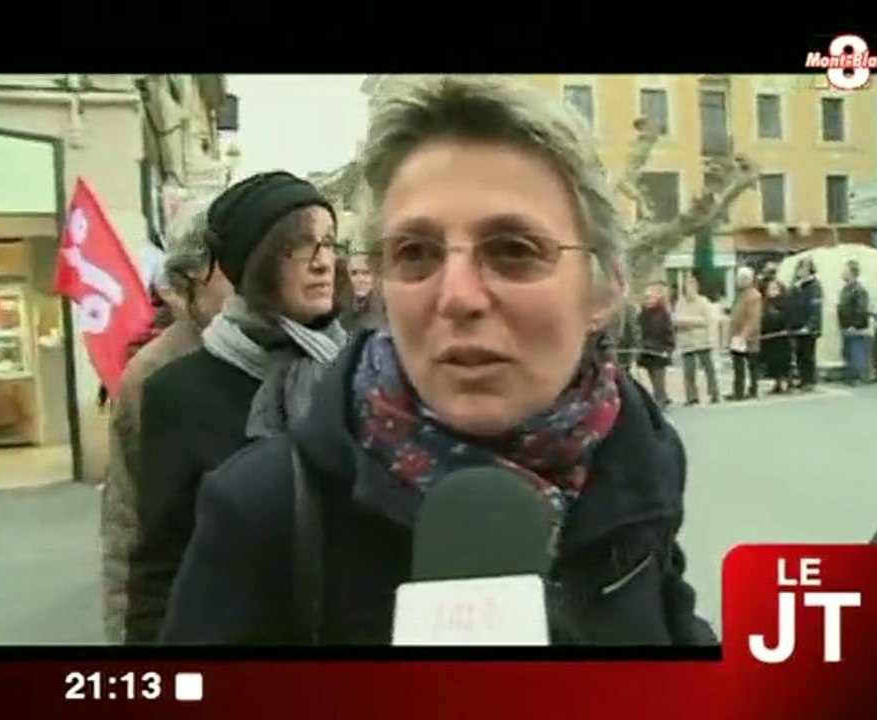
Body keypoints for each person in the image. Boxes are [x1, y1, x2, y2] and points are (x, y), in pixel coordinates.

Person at [160, 75, 715, 646]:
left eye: (513, 251)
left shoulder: (637, 457)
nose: (458, 297)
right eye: (416, 253)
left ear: (603, 290)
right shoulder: (264, 509)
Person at [127, 172, 348, 644]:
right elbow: (158, 570)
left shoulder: (360, 372)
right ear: (254, 260)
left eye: (329, 243)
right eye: (299, 246)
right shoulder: (178, 392)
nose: (322, 262)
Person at [101, 203, 232, 644]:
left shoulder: (283, 350)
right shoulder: (152, 377)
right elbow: (128, 526)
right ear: (189, 279)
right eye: (229, 266)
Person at [673, 272, 719, 406]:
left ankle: (714, 393)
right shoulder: (680, 303)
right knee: (688, 372)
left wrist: (687, 322)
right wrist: (693, 321)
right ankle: (691, 396)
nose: (690, 290)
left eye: (692, 286)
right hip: (686, 342)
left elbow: (708, 320)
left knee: (709, 369)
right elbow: (676, 320)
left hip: (702, 341)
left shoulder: (703, 302)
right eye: (687, 287)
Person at [636, 281, 675, 409]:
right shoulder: (642, 314)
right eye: (646, 298)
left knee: (659, 376)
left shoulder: (663, 313)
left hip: (660, 349)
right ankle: (661, 396)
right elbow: (639, 331)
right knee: (652, 376)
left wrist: (669, 348)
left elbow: (668, 332)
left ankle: (661, 398)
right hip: (647, 350)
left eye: (651, 298)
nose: (648, 301)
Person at [786, 257, 822, 391]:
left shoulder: (814, 286)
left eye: (804, 268)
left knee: (808, 355)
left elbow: (815, 308)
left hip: (808, 328)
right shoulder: (796, 285)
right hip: (796, 325)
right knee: (799, 355)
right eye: (799, 268)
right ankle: (802, 379)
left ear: (810, 270)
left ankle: (810, 380)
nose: (800, 271)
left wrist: (810, 326)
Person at [727, 266, 762, 401]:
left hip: (748, 337)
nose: (739, 281)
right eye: (739, 278)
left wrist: (744, 335)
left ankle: (752, 389)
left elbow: (753, 318)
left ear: (749, 279)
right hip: (736, 336)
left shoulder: (754, 296)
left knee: (751, 365)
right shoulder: (739, 295)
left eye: (743, 278)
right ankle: (738, 391)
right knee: (738, 367)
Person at [837, 259, 871, 386]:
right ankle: (850, 376)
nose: (842, 273)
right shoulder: (846, 289)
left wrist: (854, 325)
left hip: (854, 328)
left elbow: (861, 309)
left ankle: (856, 377)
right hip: (846, 326)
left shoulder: (859, 290)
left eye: (845, 271)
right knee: (847, 352)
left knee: (855, 352)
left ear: (851, 273)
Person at [759, 279, 792, 394]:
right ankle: (777, 383)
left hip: (781, 337)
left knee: (782, 362)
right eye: (769, 289)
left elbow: (786, 318)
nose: (771, 291)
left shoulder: (784, 302)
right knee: (772, 362)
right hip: (769, 337)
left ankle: (785, 382)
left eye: (774, 289)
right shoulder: (765, 303)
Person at [340, 250, 380, 333]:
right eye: (354, 273)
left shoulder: (388, 308)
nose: (360, 279)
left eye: (366, 273)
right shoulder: (338, 304)